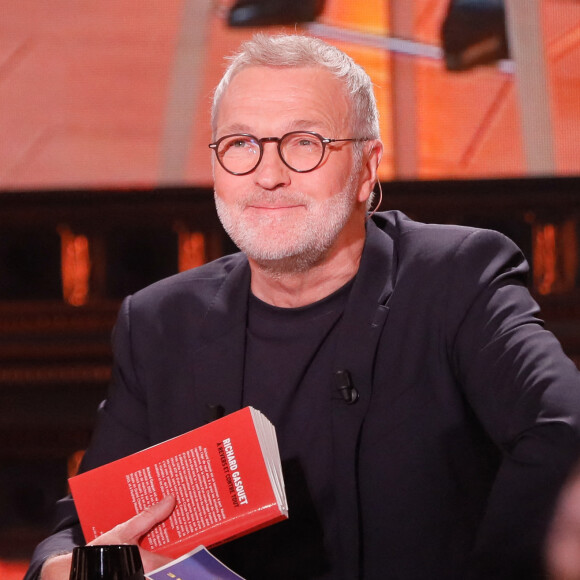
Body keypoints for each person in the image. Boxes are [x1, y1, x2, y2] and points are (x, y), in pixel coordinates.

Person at [26, 33, 580, 580]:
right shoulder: (160, 323)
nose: (268, 176)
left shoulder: (456, 279)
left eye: (304, 142)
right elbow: (82, 530)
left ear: (366, 169)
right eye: (241, 144)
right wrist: (69, 570)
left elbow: (565, 425)